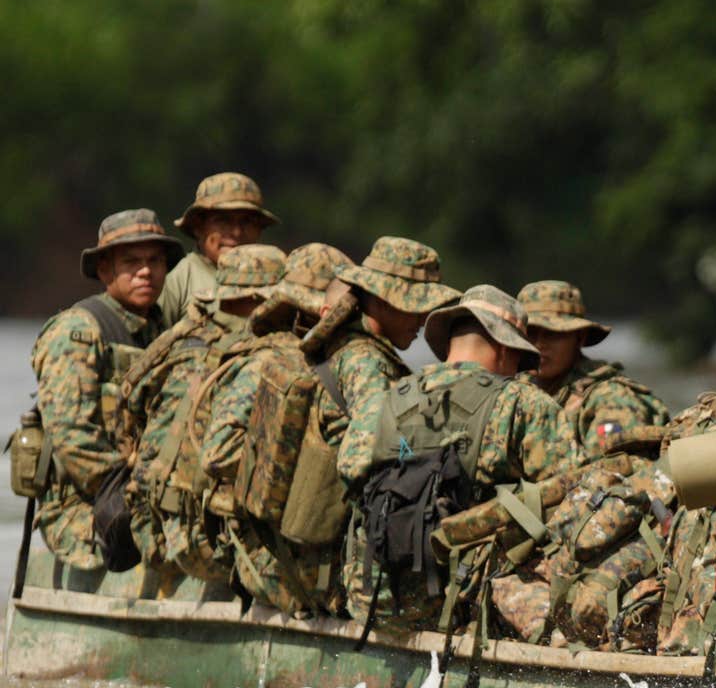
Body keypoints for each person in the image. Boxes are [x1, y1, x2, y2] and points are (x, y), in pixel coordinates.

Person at [339, 285, 579, 629]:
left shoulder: (386, 400)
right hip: (464, 606)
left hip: (375, 599)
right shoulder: (522, 404)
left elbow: (348, 471)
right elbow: (574, 500)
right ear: (502, 347)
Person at [198, 243, 357, 617]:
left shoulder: (332, 362)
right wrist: (300, 457)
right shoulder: (268, 362)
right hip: (268, 554)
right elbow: (217, 454)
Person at [26, 210, 180, 570]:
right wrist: (131, 496)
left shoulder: (164, 333)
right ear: (104, 270)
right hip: (82, 507)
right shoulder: (77, 332)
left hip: (142, 496)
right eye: (132, 262)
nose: (146, 271)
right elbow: (70, 434)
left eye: (155, 261)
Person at [122, 244, 285, 576]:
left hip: (153, 521)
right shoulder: (247, 355)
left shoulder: (183, 338)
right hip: (193, 543)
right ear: (260, 300)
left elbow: (131, 405)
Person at [311, 236, 460, 465]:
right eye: (416, 309)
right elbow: (368, 454)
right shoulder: (367, 362)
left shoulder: (341, 346)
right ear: (383, 301)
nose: (422, 322)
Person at [518, 280, 671, 457]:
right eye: (530, 333)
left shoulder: (611, 398)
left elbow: (614, 474)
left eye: (553, 334)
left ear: (579, 337)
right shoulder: (512, 392)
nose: (539, 344)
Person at [159, 173, 278, 328]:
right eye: (222, 221)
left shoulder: (274, 277)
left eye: (247, 221)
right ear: (198, 227)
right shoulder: (179, 279)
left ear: (259, 230)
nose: (236, 232)